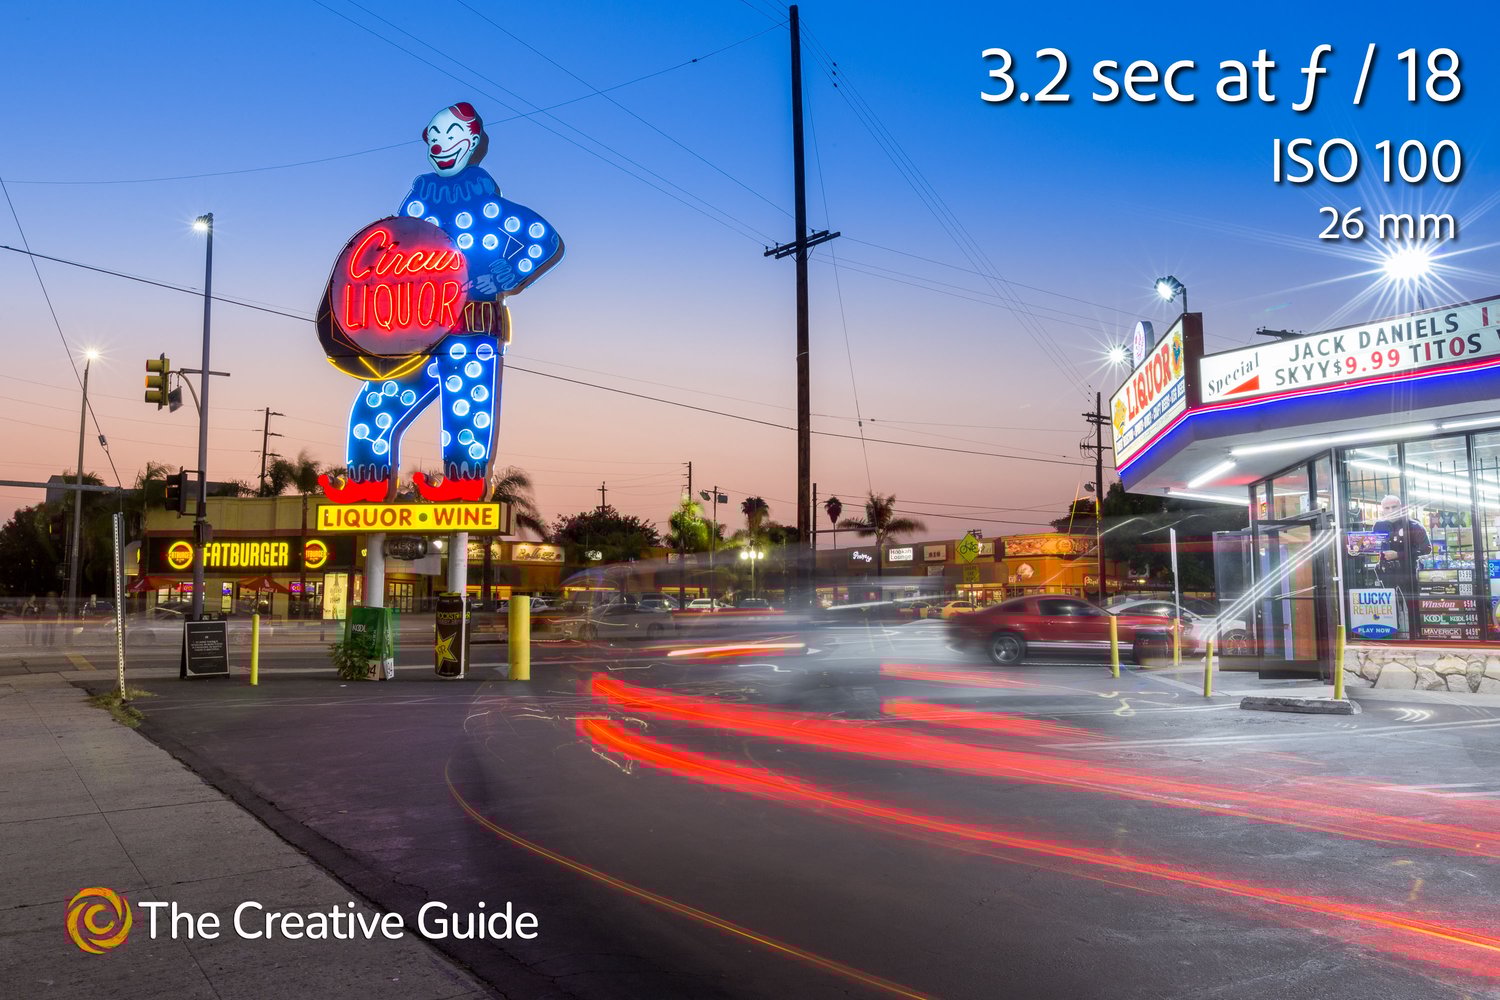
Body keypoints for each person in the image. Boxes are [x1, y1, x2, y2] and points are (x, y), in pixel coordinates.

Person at [319, 101, 565, 505]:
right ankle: (367, 482)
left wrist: (509, 272)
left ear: (471, 142)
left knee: (466, 406)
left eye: (449, 136)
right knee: (376, 400)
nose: (440, 144)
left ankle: (463, 484)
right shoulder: (416, 206)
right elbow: (388, 251)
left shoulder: (490, 208)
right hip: (412, 330)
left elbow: (544, 238)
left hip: (470, 326)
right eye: (433, 137)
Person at [1372, 494, 1430, 635]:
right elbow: (1372, 545)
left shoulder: (1414, 526)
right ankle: (1392, 633)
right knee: (1389, 605)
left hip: (1408, 571)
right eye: (1387, 507)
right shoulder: (1378, 526)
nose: (1391, 510)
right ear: (1382, 510)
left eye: (1394, 507)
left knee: (1412, 603)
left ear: (1402, 508)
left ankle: (1416, 634)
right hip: (1386, 571)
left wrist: (1399, 554)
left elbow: (1426, 548)